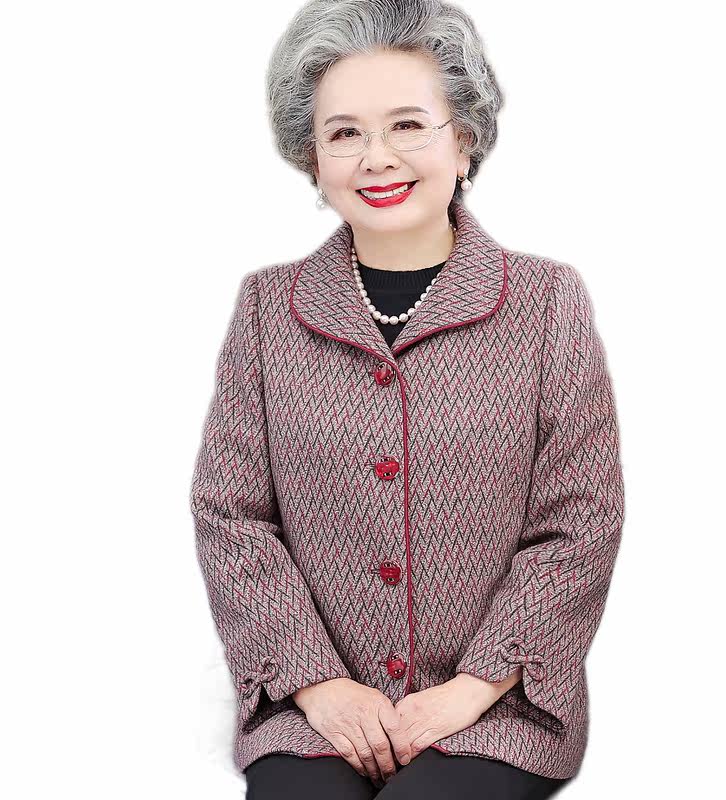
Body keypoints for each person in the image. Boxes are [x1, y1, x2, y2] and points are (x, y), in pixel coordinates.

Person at [190, 1, 625, 797]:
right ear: (312, 157)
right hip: (311, 707)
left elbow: (580, 521)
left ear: (464, 140)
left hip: (498, 705)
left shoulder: (546, 302)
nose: (377, 158)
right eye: (344, 133)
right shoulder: (265, 309)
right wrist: (319, 684)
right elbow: (232, 516)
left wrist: (473, 689)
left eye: (408, 126)